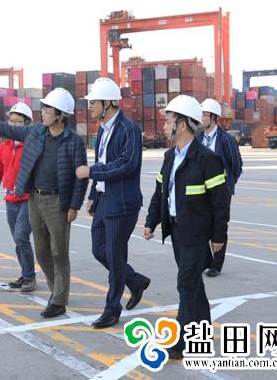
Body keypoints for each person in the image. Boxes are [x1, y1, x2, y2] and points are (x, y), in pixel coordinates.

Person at [0, 88, 88, 318]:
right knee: (41, 251)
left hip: (58, 201)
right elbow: (6, 129)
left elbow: (81, 177)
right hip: (34, 199)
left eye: (48, 110)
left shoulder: (74, 142)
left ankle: (59, 300)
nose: (43, 113)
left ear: (60, 115)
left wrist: (74, 206)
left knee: (58, 251)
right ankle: (57, 291)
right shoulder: (35, 133)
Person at [143, 95, 231, 359]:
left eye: (168, 121)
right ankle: (202, 332)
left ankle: (180, 343)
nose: (164, 126)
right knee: (193, 285)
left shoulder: (206, 159)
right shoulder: (170, 156)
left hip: (196, 233)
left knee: (185, 284)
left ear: (181, 125)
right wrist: (151, 222)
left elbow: (220, 202)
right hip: (177, 231)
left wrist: (219, 236)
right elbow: (160, 192)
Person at [75, 77, 150, 329]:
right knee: (99, 250)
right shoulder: (102, 130)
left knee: (115, 256)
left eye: (93, 102)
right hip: (104, 199)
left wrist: (91, 172)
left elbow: (126, 165)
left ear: (107, 103)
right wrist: (93, 194)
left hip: (123, 203)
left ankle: (112, 309)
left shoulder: (129, 129)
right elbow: (103, 161)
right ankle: (135, 280)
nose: (90, 106)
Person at [0, 102, 37, 292]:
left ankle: (30, 277)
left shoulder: (32, 145)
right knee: (18, 241)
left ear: (27, 123)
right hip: (10, 201)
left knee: (21, 236)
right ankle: (25, 273)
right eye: (11, 121)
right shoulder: (4, 146)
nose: (13, 125)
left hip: (28, 199)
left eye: (18, 122)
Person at [198, 98, 243, 277]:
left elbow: (236, 164)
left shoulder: (226, 140)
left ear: (213, 117)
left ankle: (216, 265)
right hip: (201, 190)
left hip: (220, 190)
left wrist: (227, 185)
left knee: (219, 224)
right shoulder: (198, 138)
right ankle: (206, 260)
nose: (201, 117)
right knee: (201, 225)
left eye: (204, 114)